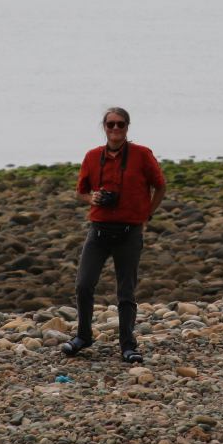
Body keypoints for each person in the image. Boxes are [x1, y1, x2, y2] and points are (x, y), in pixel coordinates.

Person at [61, 107, 166, 363]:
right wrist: (92, 198)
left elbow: (160, 186)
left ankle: (128, 346)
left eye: (120, 124)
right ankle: (83, 337)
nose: (115, 129)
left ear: (127, 127)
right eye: (111, 125)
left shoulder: (142, 155)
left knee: (126, 291)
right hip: (98, 231)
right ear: (104, 127)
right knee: (84, 285)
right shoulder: (92, 156)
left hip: (130, 232)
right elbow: (80, 191)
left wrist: (146, 215)